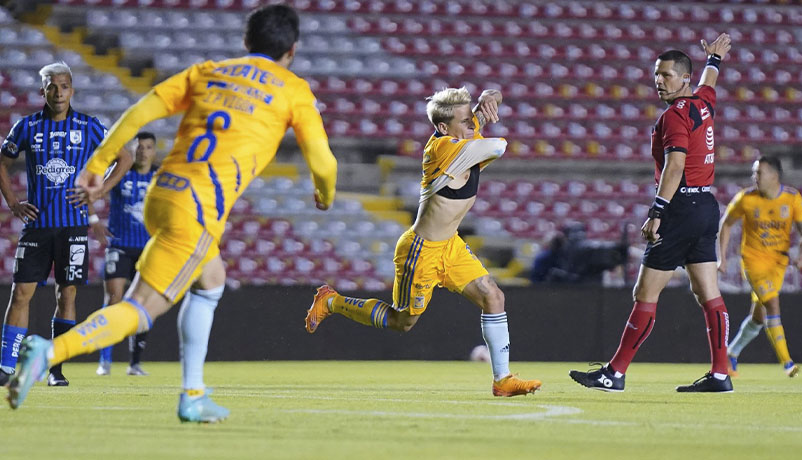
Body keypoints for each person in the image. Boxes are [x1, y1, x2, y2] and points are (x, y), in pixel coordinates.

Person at [7, 5, 338, 423]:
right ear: (291, 50)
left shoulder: (208, 71)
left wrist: (96, 166)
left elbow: (141, 112)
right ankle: (50, 351)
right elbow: (324, 163)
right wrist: (323, 194)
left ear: (245, 43)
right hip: (198, 210)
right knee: (139, 309)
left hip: (163, 192)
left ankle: (193, 394)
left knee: (210, 280)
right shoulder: (293, 89)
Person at [305, 86, 542, 397]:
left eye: (472, 116)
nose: (472, 122)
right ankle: (332, 301)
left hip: (451, 245)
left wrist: (490, 96)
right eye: (465, 119)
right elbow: (499, 146)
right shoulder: (443, 149)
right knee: (403, 321)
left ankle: (503, 380)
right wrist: (483, 119)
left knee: (492, 295)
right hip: (422, 250)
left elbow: (494, 98)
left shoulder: (463, 132)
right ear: (444, 127)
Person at [569, 33, 735, 393]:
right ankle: (721, 374)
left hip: (680, 209)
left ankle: (615, 372)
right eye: (657, 75)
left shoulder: (674, 116)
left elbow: (675, 166)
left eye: (667, 75)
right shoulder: (702, 104)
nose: (659, 81)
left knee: (645, 293)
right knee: (708, 291)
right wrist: (715, 60)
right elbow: (709, 83)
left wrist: (657, 211)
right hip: (706, 205)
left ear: (683, 79)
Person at [0, 62, 130, 387]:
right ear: (42, 91)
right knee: (21, 293)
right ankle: (7, 368)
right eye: (52, 86)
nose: (58, 92)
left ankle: (55, 369)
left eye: (64, 86)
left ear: (72, 90)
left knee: (66, 295)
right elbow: (0, 162)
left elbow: (123, 156)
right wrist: (13, 203)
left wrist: (101, 190)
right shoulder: (26, 127)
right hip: (37, 228)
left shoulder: (89, 126)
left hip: (73, 228)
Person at [719, 156, 802, 378]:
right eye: (754, 173)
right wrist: (723, 259)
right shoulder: (745, 198)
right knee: (772, 304)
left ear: (774, 176)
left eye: (759, 173)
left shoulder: (792, 198)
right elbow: (726, 224)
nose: (754, 177)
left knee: (759, 315)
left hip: (778, 263)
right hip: (753, 261)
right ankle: (787, 363)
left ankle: (731, 353)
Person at [90, 132, 159, 377]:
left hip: (148, 249)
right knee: (114, 300)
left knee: (142, 305)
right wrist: (94, 219)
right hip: (119, 245)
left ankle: (135, 363)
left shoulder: (159, 177)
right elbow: (92, 188)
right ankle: (105, 361)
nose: (142, 151)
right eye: (138, 147)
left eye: (148, 147)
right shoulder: (121, 172)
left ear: (154, 151)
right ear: (132, 150)